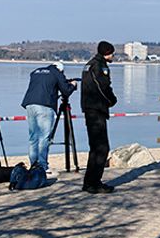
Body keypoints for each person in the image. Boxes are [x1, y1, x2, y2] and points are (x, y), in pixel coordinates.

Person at [20, 61, 77, 174]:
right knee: (44, 137)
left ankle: (33, 165)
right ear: (61, 70)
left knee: (33, 137)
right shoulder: (57, 72)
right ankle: (42, 166)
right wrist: (73, 85)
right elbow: (65, 90)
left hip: (30, 104)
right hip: (44, 105)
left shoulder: (36, 71)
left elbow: (44, 85)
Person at [80, 41, 118, 193]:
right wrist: (111, 100)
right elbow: (103, 87)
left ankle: (90, 182)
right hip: (96, 109)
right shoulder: (100, 66)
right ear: (106, 52)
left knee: (95, 148)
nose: (113, 56)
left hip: (90, 109)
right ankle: (93, 183)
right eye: (112, 53)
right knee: (102, 148)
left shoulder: (89, 65)